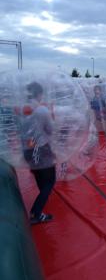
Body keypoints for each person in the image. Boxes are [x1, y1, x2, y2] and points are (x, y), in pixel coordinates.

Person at [20, 82, 56, 225]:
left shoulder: (22, 109)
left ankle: (41, 201)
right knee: (50, 181)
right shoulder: (42, 110)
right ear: (40, 94)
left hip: (27, 150)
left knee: (40, 178)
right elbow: (51, 130)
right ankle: (36, 212)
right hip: (41, 149)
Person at [90, 84, 106, 157]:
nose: (96, 91)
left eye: (97, 89)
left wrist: (102, 111)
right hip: (98, 119)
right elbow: (92, 109)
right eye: (95, 90)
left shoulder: (104, 98)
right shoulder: (93, 98)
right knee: (93, 134)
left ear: (100, 90)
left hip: (105, 119)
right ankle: (91, 150)